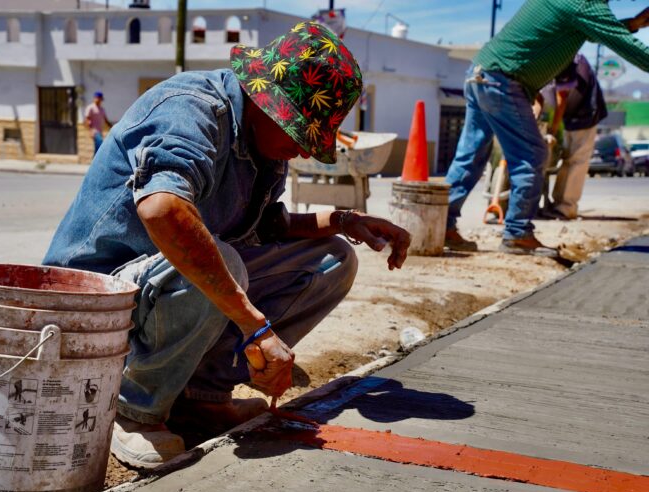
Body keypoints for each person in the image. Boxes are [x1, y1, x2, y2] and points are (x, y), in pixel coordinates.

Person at [43, 21, 411, 468]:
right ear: (267, 101)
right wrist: (256, 326)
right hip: (94, 301)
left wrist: (346, 221)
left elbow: (263, 226)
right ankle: (132, 409)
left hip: (158, 290)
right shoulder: (192, 109)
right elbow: (163, 211)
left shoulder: (262, 143)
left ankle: (199, 396)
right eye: (301, 134)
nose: (303, 151)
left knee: (332, 260)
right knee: (223, 262)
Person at [443, 0, 649, 255]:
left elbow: (594, 30)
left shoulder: (577, 6)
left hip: (480, 73)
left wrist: (632, 24)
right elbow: (632, 49)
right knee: (532, 155)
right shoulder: (587, 4)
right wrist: (629, 29)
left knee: (470, 156)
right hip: (504, 81)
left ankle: (441, 224)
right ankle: (517, 234)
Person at [540, 55, 607, 220]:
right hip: (571, 116)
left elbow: (562, 97)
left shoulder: (566, 58)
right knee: (568, 161)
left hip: (585, 114)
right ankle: (559, 204)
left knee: (577, 161)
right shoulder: (557, 55)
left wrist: (554, 129)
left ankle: (565, 207)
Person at [84, 91, 111, 155]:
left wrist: (112, 127)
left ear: (101, 99)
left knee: (97, 147)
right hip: (94, 131)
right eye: (97, 98)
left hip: (100, 131)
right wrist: (90, 131)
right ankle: (96, 162)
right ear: (94, 98)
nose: (98, 99)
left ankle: (94, 162)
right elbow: (87, 120)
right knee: (100, 143)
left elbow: (106, 120)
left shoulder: (102, 109)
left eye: (99, 98)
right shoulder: (90, 108)